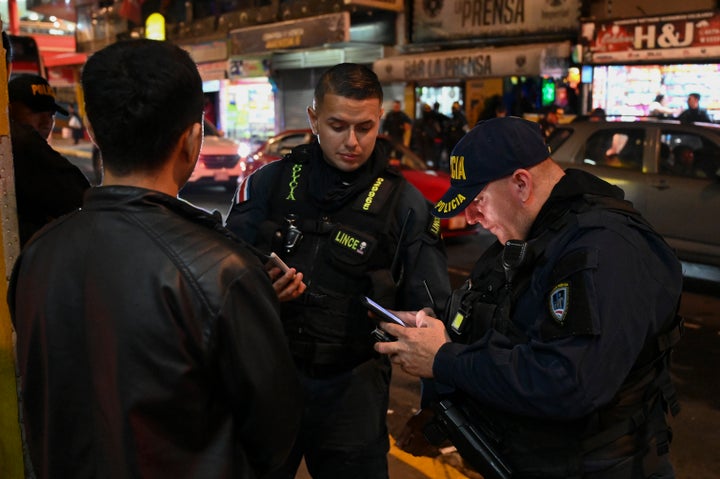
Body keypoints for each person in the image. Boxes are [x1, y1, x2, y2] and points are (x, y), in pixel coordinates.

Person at [8, 39, 302, 479]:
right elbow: (276, 438)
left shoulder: (36, 255)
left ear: (92, 131)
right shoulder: (223, 271)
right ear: (191, 138)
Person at [375, 117, 684, 478]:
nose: (472, 217)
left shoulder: (603, 248)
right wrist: (438, 329)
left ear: (521, 183)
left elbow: (567, 382)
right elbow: (500, 324)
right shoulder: (530, 238)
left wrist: (444, 359)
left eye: (477, 200)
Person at [225, 62, 451, 479]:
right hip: (272, 380)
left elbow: (433, 316)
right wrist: (262, 294)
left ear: (379, 118)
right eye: (337, 125)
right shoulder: (267, 184)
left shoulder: (406, 205)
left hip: (353, 391)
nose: (352, 141)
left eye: (364, 127)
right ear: (313, 118)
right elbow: (219, 285)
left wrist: (433, 405)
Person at [8, 73, 91, 247]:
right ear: (10, 109)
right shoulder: (23, 145)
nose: (47, 122)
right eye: (36, 112)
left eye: (51, 114)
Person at [410, 102, 443, 167]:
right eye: (426, 109)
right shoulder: (419, 122)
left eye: (428, 109)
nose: (427, 111)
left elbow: (438, 132)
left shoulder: (434, 121)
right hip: (421, 145)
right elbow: (415, 134)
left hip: (430, 145)